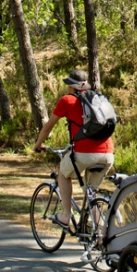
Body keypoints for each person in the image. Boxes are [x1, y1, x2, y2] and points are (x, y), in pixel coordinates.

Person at [33, 70, 114, 228]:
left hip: (85, 153)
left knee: (63, 174)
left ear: (71, 86)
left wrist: (38, 144)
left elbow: (48, 127)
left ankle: (65, 215)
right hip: (108, 153)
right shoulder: (98, 99)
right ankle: (100, 235)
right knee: (91, 193)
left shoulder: (67, 100)